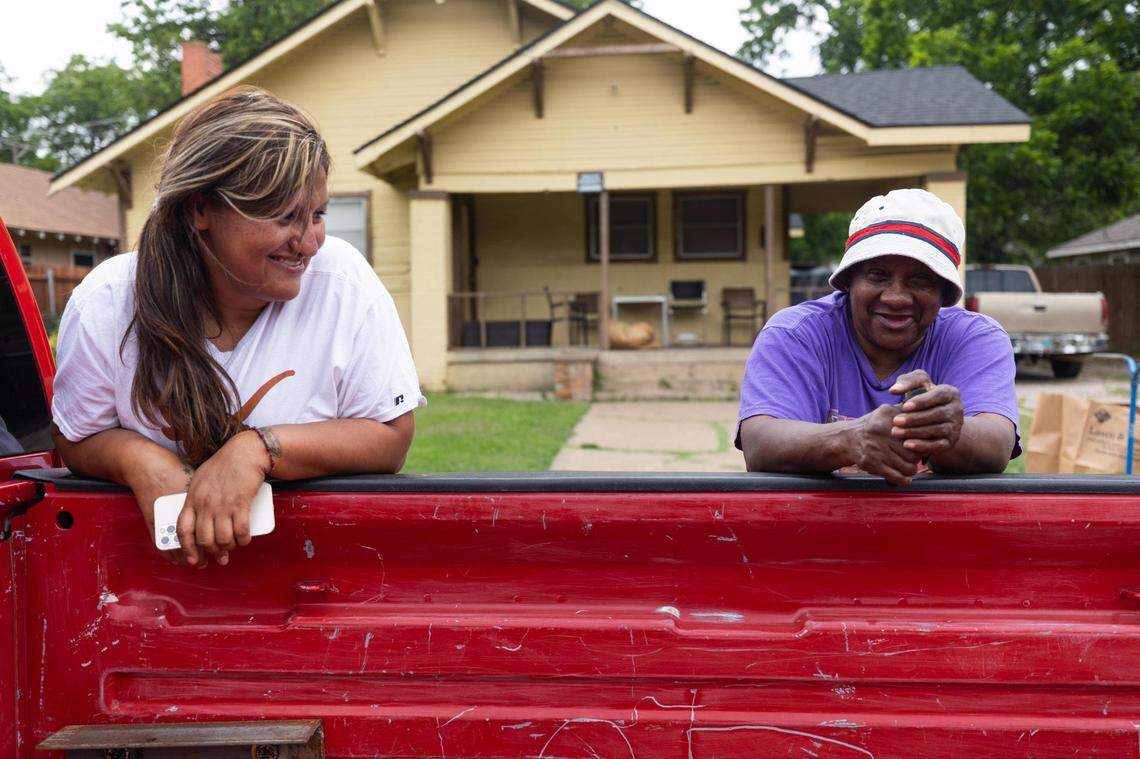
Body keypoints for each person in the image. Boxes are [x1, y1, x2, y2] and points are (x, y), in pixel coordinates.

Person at [51, 87, 424, 566]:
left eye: (318, 214)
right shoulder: (108, 301)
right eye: (284, 216)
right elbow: (76, 435)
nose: (308, 243)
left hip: (316, 576)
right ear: (201, 209)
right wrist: (141, 461)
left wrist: (258, 449)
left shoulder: (342, 281)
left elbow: (391, 437)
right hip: (147, 592)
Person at [737, 188, 1019, 485]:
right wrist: (851, 438)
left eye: (920, 279)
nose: (896, 297)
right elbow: (760, 443)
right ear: (849, 281)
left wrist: (949, 428)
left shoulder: (975, 338)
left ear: (944, 293)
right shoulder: (795, 334)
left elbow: (997, 443)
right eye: (877, 275)